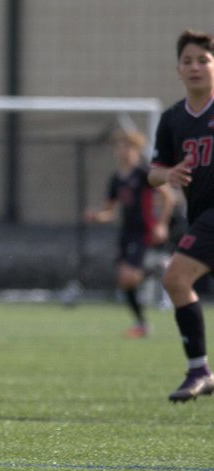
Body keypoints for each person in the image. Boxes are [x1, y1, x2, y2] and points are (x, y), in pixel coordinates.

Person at [147, 29, 214, 403]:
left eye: (203, 60)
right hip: (200, 216)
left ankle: (198, 371)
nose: (195, 67)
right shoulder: (173, 119)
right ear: (178, 69)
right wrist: (168, 174)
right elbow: (153, 173)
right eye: (187, 61)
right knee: (177, 281)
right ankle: (200, 371)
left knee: (175, 277)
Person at [83, 128, 175, 338]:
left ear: (137, 150)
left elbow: (168, 197)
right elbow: (109, 211)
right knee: (124, 281)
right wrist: (97, 216)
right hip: (126, 233)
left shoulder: (143, 173)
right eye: (120, 147)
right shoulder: (116, 179)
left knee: (129, 276)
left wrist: (161, 224)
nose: (123, 151)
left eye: (128, 147)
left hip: (143, 231)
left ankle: (157, 268)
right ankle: (141, 324)